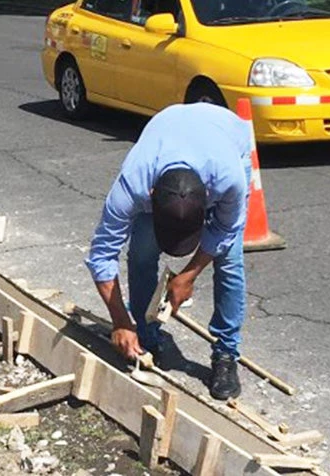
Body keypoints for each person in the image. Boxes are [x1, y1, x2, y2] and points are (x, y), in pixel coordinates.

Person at [86, 103, 252, 401]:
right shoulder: (134, 185)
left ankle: (226, 354)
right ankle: (146, 338)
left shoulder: (228, 179)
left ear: (207, 203)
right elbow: (101, 255)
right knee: (141, 253)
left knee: (229, 261)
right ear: (150, 199)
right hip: (169, 129)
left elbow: (226, 231)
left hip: (226, 136)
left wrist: (188, 275)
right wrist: (120, 321)